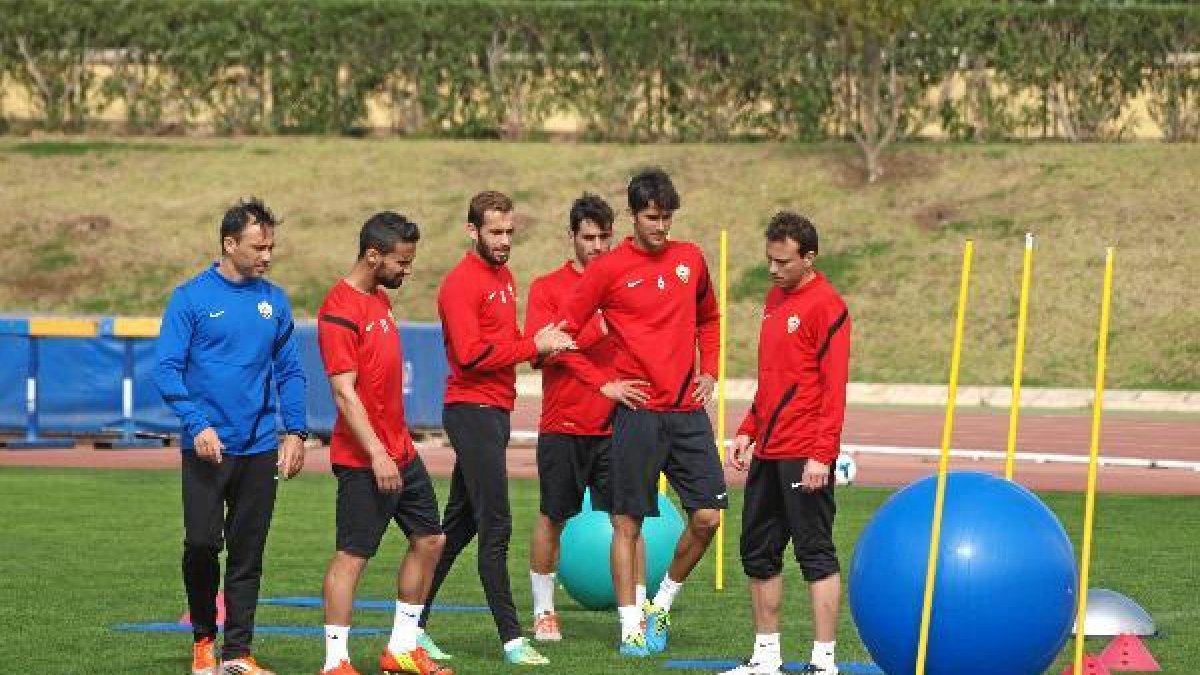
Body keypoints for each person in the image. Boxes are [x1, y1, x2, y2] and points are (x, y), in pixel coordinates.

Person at [559, 168, 727, 657]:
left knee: (708, 519)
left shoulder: (690, 259)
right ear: (633, 216)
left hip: (687, 412)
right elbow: (563, 335)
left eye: (667, 217)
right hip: (637, 414)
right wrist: (604, 384)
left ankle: (662, 604)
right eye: (652, 217)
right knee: (626, 524)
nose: (661, 227)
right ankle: (630, 624)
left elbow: (710, 319)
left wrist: (710, 371)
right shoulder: (607, 269)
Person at [419, 190, 573, 666]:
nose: (505, 241)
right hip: (472, 413)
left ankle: (411, 628)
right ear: (473, 231)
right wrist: (532, 346)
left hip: (493, 411)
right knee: (497, 525)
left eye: (510, 232)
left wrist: (544, 349)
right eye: (496, 232)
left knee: (458, 527)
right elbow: (469, 355)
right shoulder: (461, 283)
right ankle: (511, 639)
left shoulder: (504, 277)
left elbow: (504, 347)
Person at [154, 198, 307, 675]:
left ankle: (238, 653)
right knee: (201, 543)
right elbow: (167, 369)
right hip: (207, 449)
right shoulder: (190, 298)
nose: (267, 256)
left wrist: (296, 431)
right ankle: (204, 638)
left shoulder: (274, 301)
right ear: (229, 243)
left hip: (260, 445)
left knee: (248, 553)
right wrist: (197, 424)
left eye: (271, 247)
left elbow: (291, 371)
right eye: (259, 247)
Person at [315, 212, 452, 675]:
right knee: (352, 556)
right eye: (402, 261)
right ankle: (335, 664)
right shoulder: (339, 308)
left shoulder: (379, 299)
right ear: (373, 256)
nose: (407, 271)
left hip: (401, 452)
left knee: (430, 539)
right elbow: (343, 392)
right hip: (364, 459)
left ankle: (400, 649)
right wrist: (375, 453)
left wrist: (396, 447)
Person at [723, 212, 852, 675]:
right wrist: (746, 429)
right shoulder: (774, 298)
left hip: (805, 453)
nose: (774, 270)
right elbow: (773, 379)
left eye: (783, 262)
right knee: (758, 553)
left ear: (809, 257)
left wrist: (822, 454)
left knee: (815, 554)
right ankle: (766, 658)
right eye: (769, 261)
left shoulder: (828, 306)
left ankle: (824, 662)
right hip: (768, 450)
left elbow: (833, 390)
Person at [524, 193, 648, 642]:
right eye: (588, 238)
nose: (596, 247)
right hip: (564, 425)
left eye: (604, 238)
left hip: (619, 425)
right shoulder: (547, 287)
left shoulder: (627, 283)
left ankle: (634, 617)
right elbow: (543, 350)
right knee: (552, 518)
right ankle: (543, 611)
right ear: (572, 237)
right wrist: (596, 329)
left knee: (629, 522)